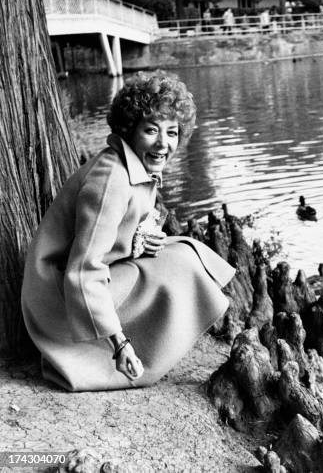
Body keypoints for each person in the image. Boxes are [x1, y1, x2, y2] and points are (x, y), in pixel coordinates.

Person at [21, 71, 235, 392]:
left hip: (79, 275)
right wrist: (120, 346)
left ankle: (166, 333)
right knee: (175, 269)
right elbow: (83, 271)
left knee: (183, 249)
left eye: (172, 132)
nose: (164, 143)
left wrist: (136, 242)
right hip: (58, 297)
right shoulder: (112, 180)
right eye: (151, 130)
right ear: (129, 129)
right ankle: (126, 350)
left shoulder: (133, 164)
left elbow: (107, 237)